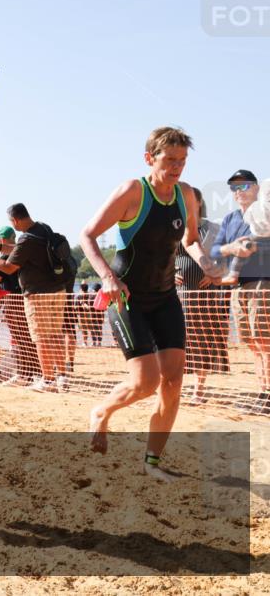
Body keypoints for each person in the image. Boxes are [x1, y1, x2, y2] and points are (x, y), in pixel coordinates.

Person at [80, 127, 216, 480]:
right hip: (127, 298)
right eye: (169, 159)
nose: (177, 167)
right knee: (145, 383)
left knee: (173, 380)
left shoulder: (186, 194)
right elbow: (88, 235)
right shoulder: (132, 192)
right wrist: (108, 278)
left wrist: (207, 262)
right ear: (149, 158)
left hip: (165, 298)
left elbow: (190, 240)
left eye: (182, 161)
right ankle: (102, 412)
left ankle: (152, 462)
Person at [0, 203, 69, 391]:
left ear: (15, 220)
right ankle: (62, 377)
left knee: (41, 337)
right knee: (55, 334)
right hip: (58, 289)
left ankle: (48, 380)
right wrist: (2, 246)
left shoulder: (26, 239)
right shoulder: (43, 228)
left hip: (37, 294)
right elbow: (25, 248)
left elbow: (9, 267)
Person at [210, 170, 270, 413]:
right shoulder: (230, 219)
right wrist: (231, 247)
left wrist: (255, 245)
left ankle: (266, 397)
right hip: (238, 286)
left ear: (256, 188)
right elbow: (215, 251)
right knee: (252, 342)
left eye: (243, 186)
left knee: (265, 342)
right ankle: (262, 393)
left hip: (264, 281)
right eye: (233, 188)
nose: (237, 192)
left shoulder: (264, 212)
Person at [174, 187, 229, 405]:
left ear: (198, 203)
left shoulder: (214, 229)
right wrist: (169, 276)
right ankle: (175, 388)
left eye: (189, 200)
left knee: (202, 341)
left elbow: (226, 259)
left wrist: (216, 276)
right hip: (178, 294)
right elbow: (162, 258)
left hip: (206, 295)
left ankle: (199, 390)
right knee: (176, 341)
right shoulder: (174, 227)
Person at [0, 227, 41, 385]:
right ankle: (33, 373)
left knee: (22, 339)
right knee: (28, 339)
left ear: (1, 240)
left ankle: (25, 374)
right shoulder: (21, 251)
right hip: (25, 297)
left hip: (14, 300)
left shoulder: (7, 255)